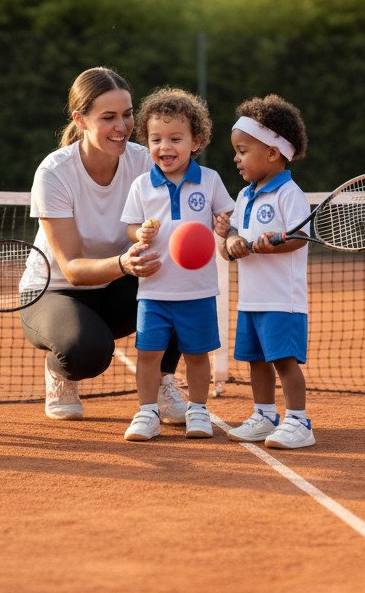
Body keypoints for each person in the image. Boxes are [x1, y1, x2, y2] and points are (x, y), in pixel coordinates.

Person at [20, 67, 187, 422]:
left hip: (115, 288)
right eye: (108, 117)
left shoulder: (145, 160)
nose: (122, 126)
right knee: (87, 352)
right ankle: (59, 371)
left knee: (181, 283)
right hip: (55, 292)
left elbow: (184, 210)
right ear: (80, 119)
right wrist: (125, 264)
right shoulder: (54, 172)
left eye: (127, 115)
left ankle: (162, 380)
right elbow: (72, 269)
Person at [118, 88, 234, 442]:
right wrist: (142, 233)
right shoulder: (142, 185)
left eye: (175, 138)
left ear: (195, 141)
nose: (164, 147)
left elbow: (225, 215)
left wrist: (224, 225)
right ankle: (147, 412)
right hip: (153, 289)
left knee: (198, 355)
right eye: (156, 139)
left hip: (198, 290)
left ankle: (198, 409)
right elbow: (130, 226)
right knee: (148, 354)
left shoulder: (210, 179)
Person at [216, 95, 316, 449]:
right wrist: (231, 241)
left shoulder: (290, 194)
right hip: (251, 300)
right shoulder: (244, 195)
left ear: (272, 153)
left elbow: (300, 236)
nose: (236, 158)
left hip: (282, 301)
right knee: (256, 360)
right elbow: (232, 239)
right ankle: (263, 414)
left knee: (283, 361)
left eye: (243, 150)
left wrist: (275, 242)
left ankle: (299, 422)